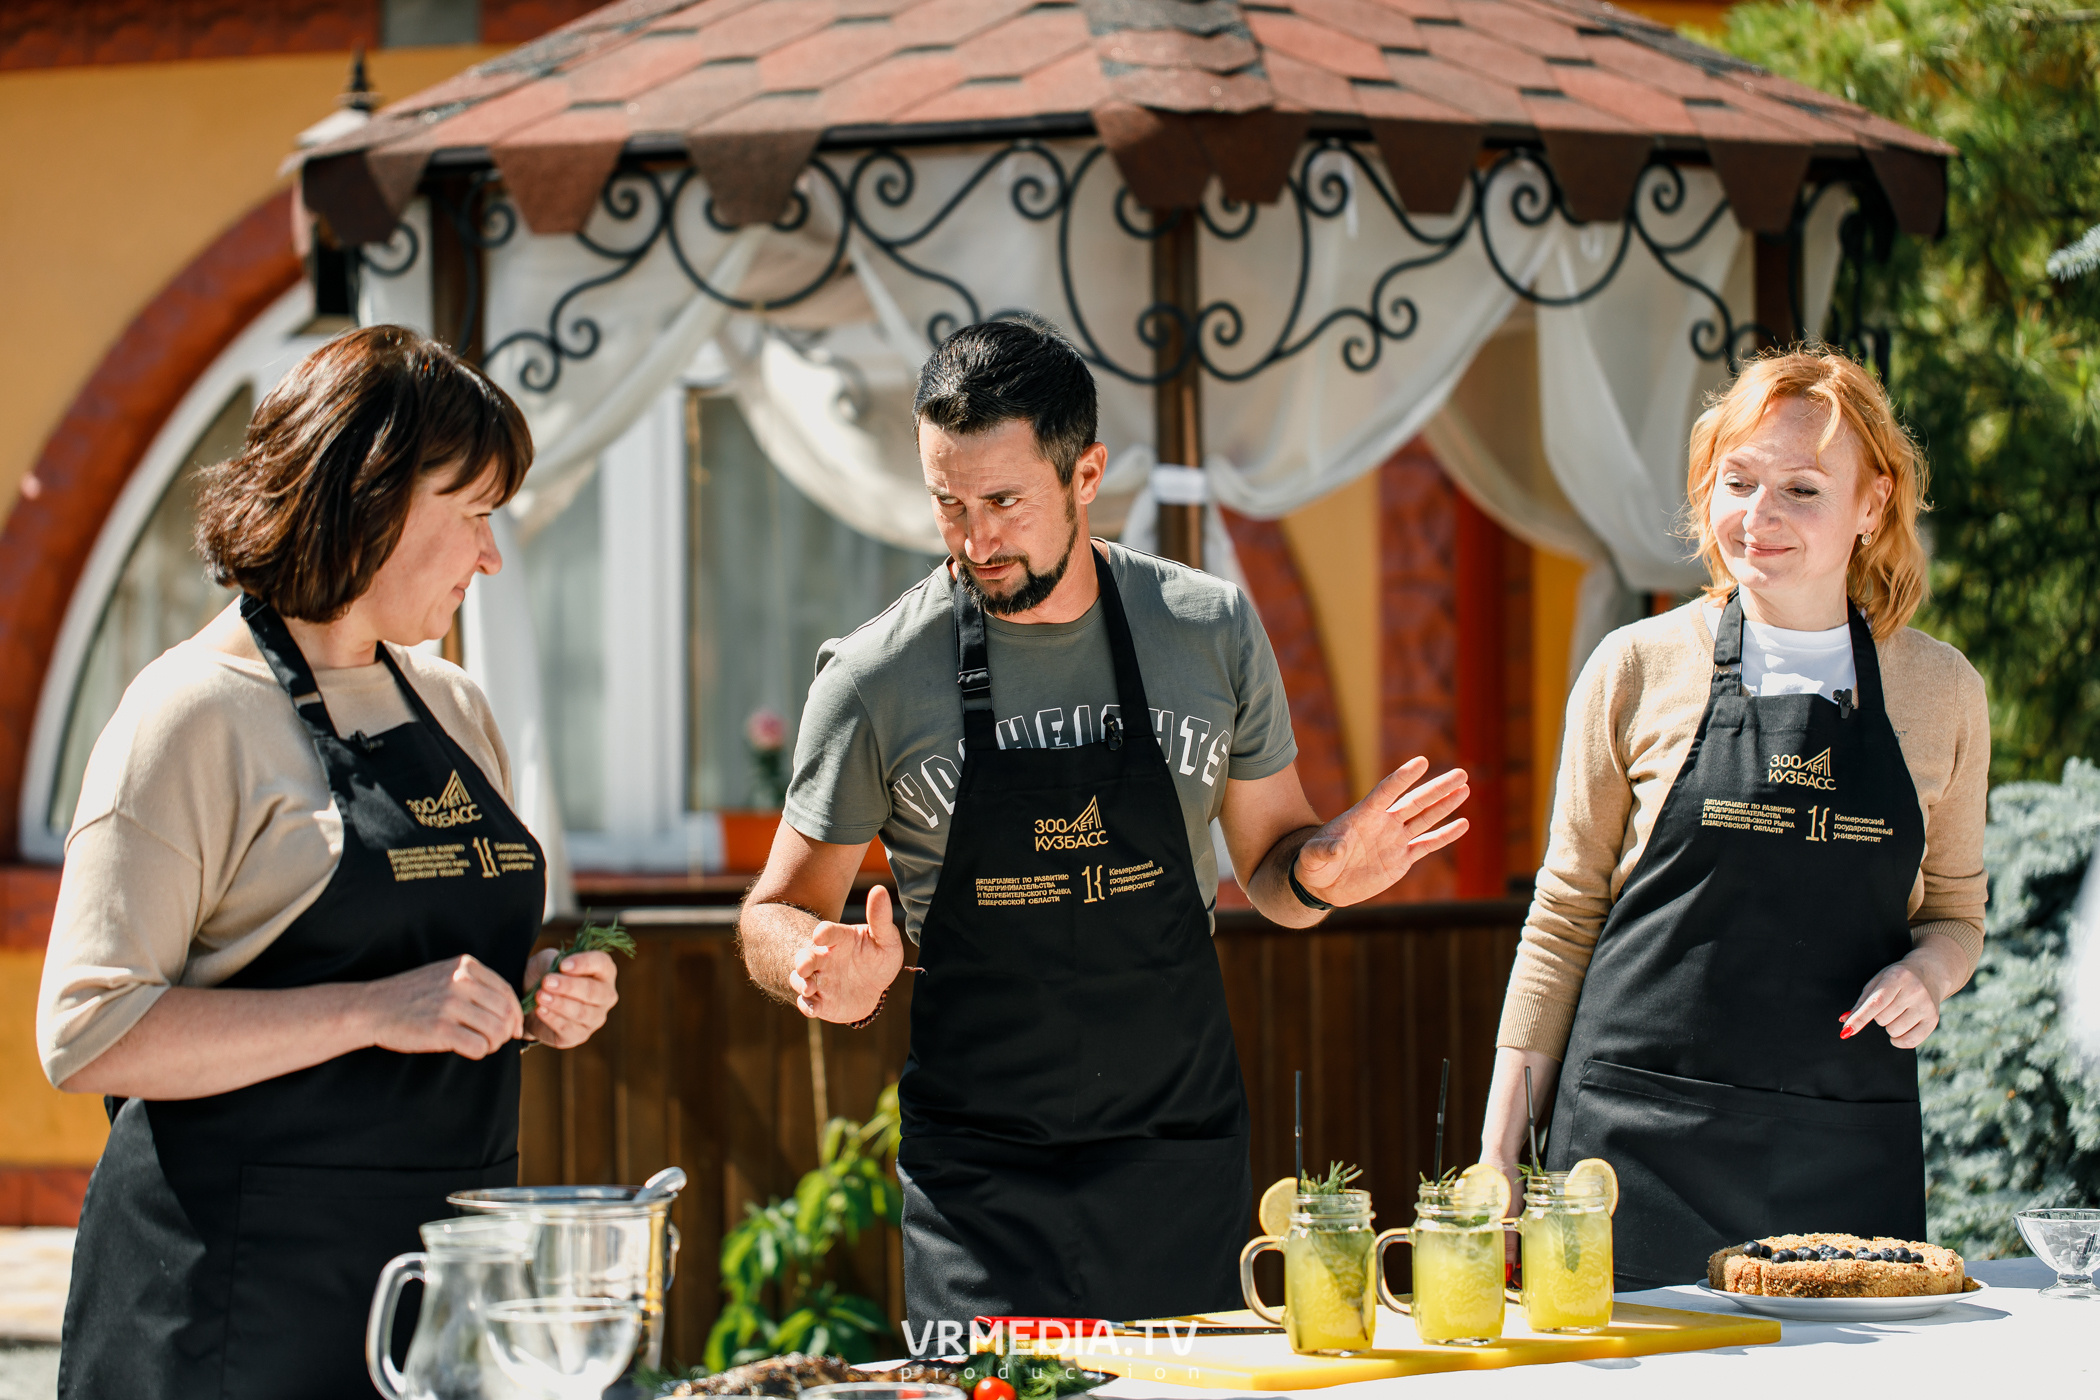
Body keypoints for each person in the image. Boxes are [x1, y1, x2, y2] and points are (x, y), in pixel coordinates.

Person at [738, 316, 1472, 1329]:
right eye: (947, 503)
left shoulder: (1207, 628)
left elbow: (1271, 862)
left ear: (1086, 474)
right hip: (978, 1180)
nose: (974, 539)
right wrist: (821, 967)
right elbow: (772, 911)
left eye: (1003, 501)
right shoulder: (874, 676)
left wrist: (1324, 872)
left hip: (1178, 1156)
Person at [36, 326, 620, 1399]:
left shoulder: (450, 702)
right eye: (476, 517)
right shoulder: (188, 715)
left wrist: (530, 992)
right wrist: (369, 1009)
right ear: (376, 499)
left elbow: (428, 968)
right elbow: (86, 1031)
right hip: (232, 1313)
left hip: (432, 1295)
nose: (491, 556)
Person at [1479, 346, 1989, 1287]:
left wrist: (1929, 971)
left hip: (1845, 1146)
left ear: (1872, 504)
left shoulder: (1940, 690)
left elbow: (1956, 913)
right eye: (1738, 480)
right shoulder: (1635, 669)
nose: (1759, 516)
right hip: (1631, 1147)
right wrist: (1500, 1154)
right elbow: (1562, 920)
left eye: (1801, 488)